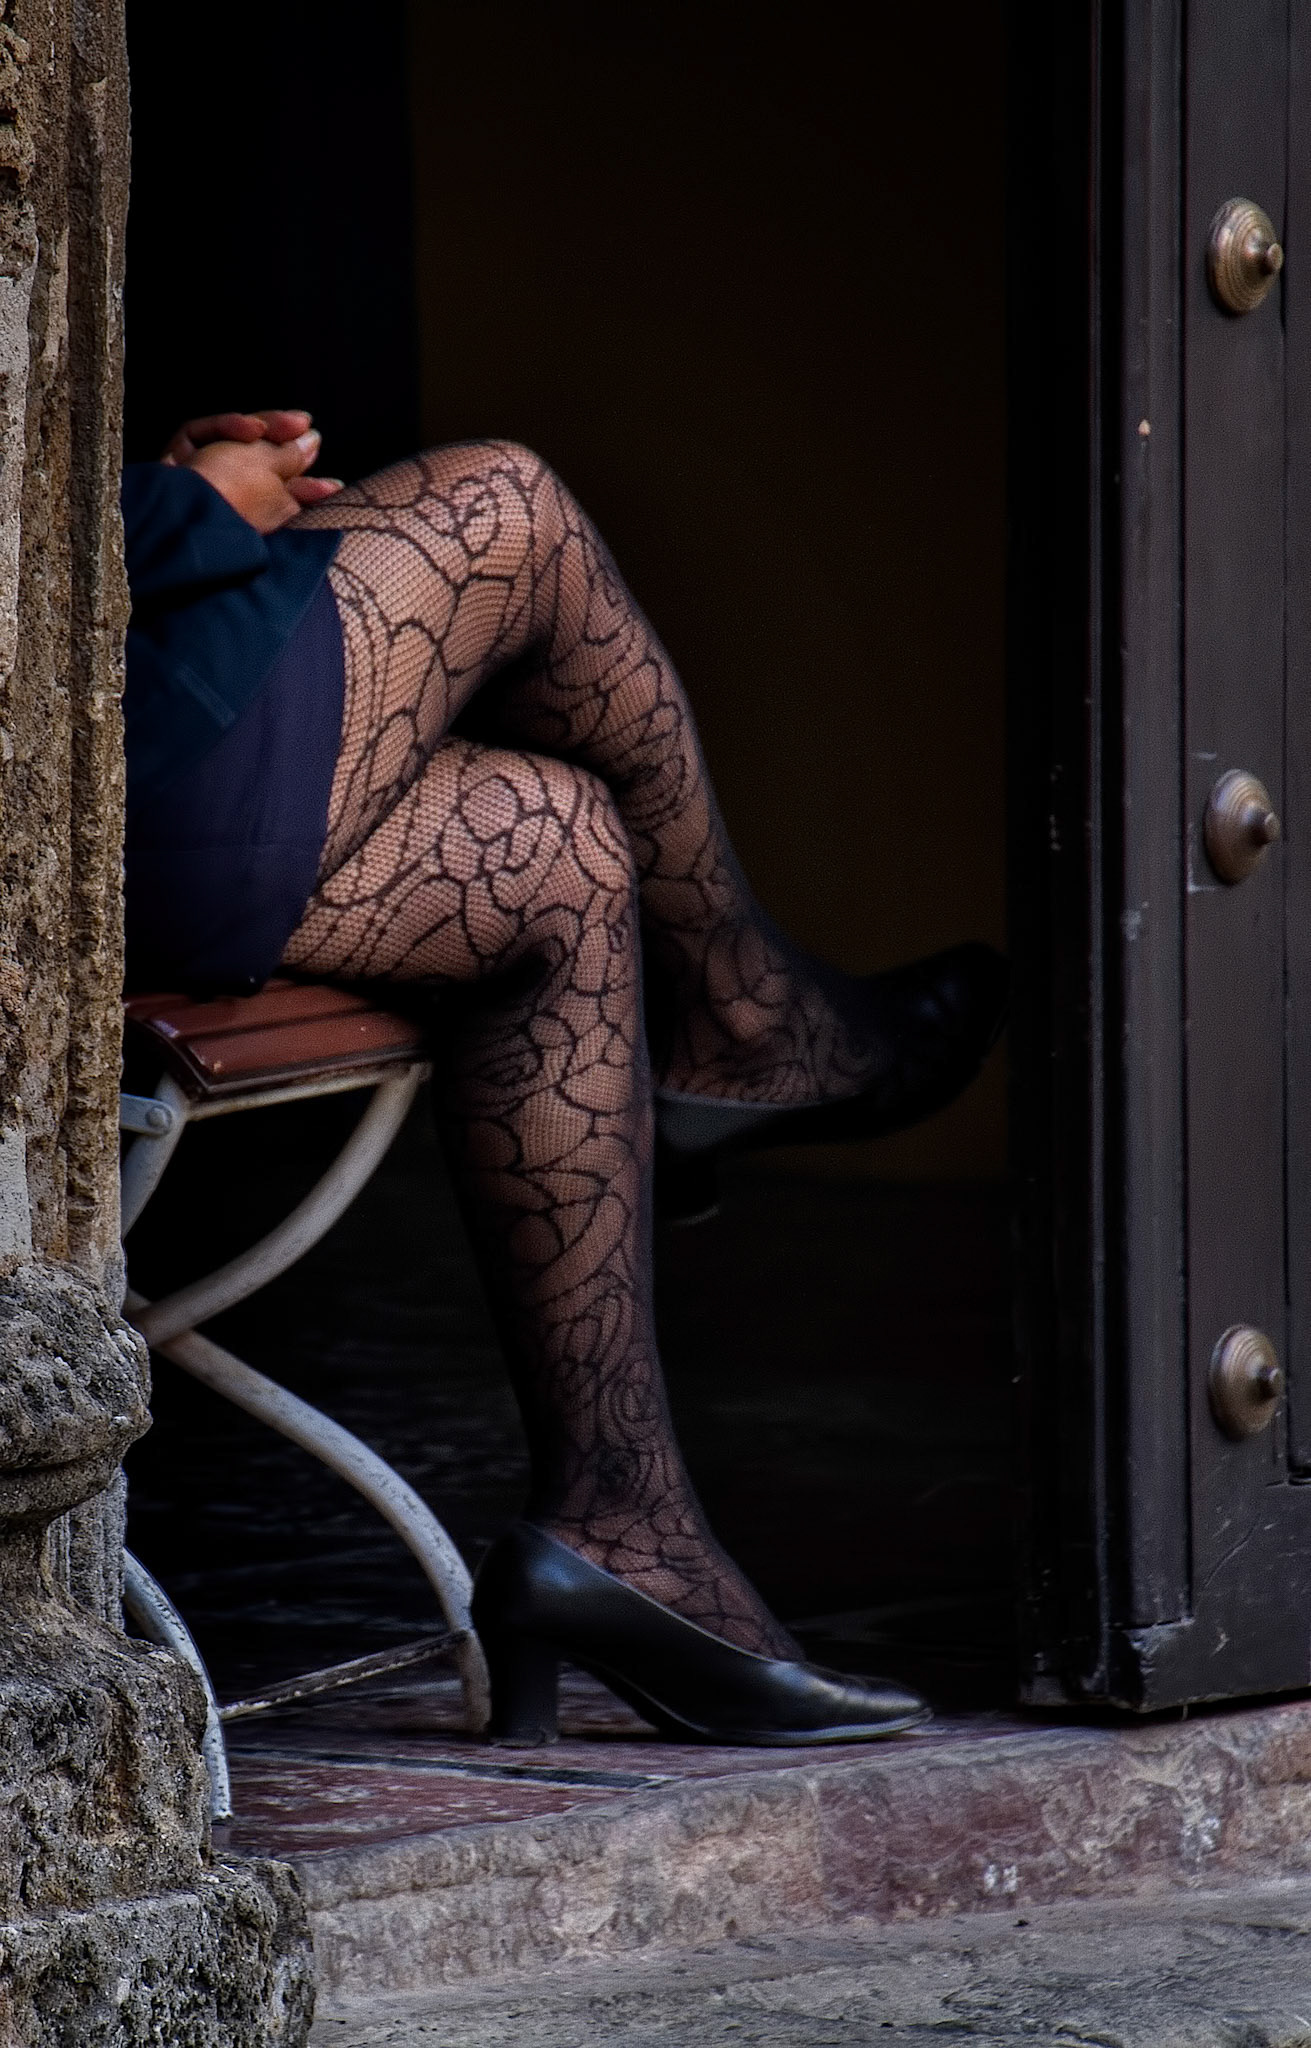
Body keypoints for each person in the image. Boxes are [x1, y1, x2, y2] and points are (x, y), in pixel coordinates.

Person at [121, 411, 1007, 1746]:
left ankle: (620, 1525)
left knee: (561, 850)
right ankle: (749, 1027)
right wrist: (184, 507)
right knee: (507, 506)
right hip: (99, 785)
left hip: (126, 762)